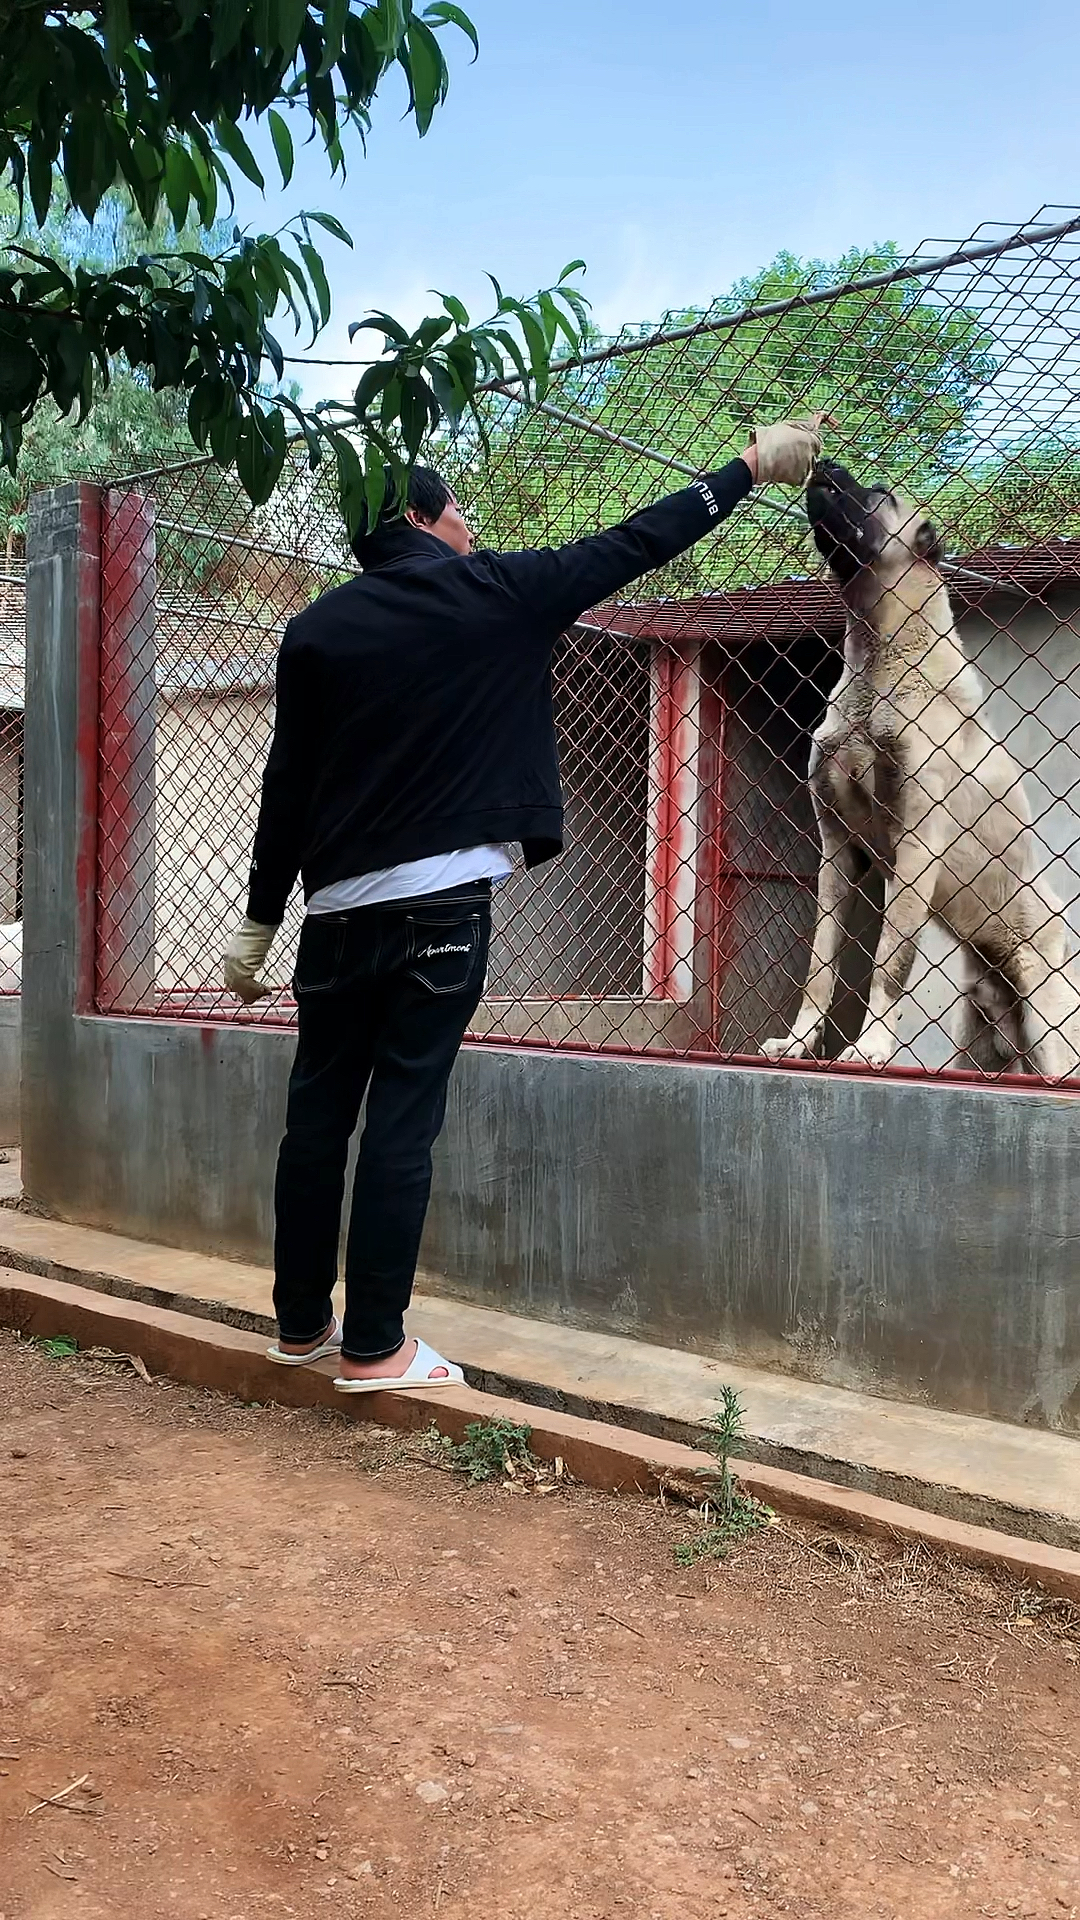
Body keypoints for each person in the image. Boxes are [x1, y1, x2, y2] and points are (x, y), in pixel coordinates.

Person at [223, 416, 824, 1392]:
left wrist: (256, 922)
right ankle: (376, 1345)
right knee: (402, 1120)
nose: (471, 526)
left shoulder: (315, 631)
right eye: (458, 511)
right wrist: (748, 469)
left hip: (332, 915)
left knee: (317, 1115)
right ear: (418, 516)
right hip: (441, 911)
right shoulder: (497, 590)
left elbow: (285, 787)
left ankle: (301, 1327)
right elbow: (639, 540)